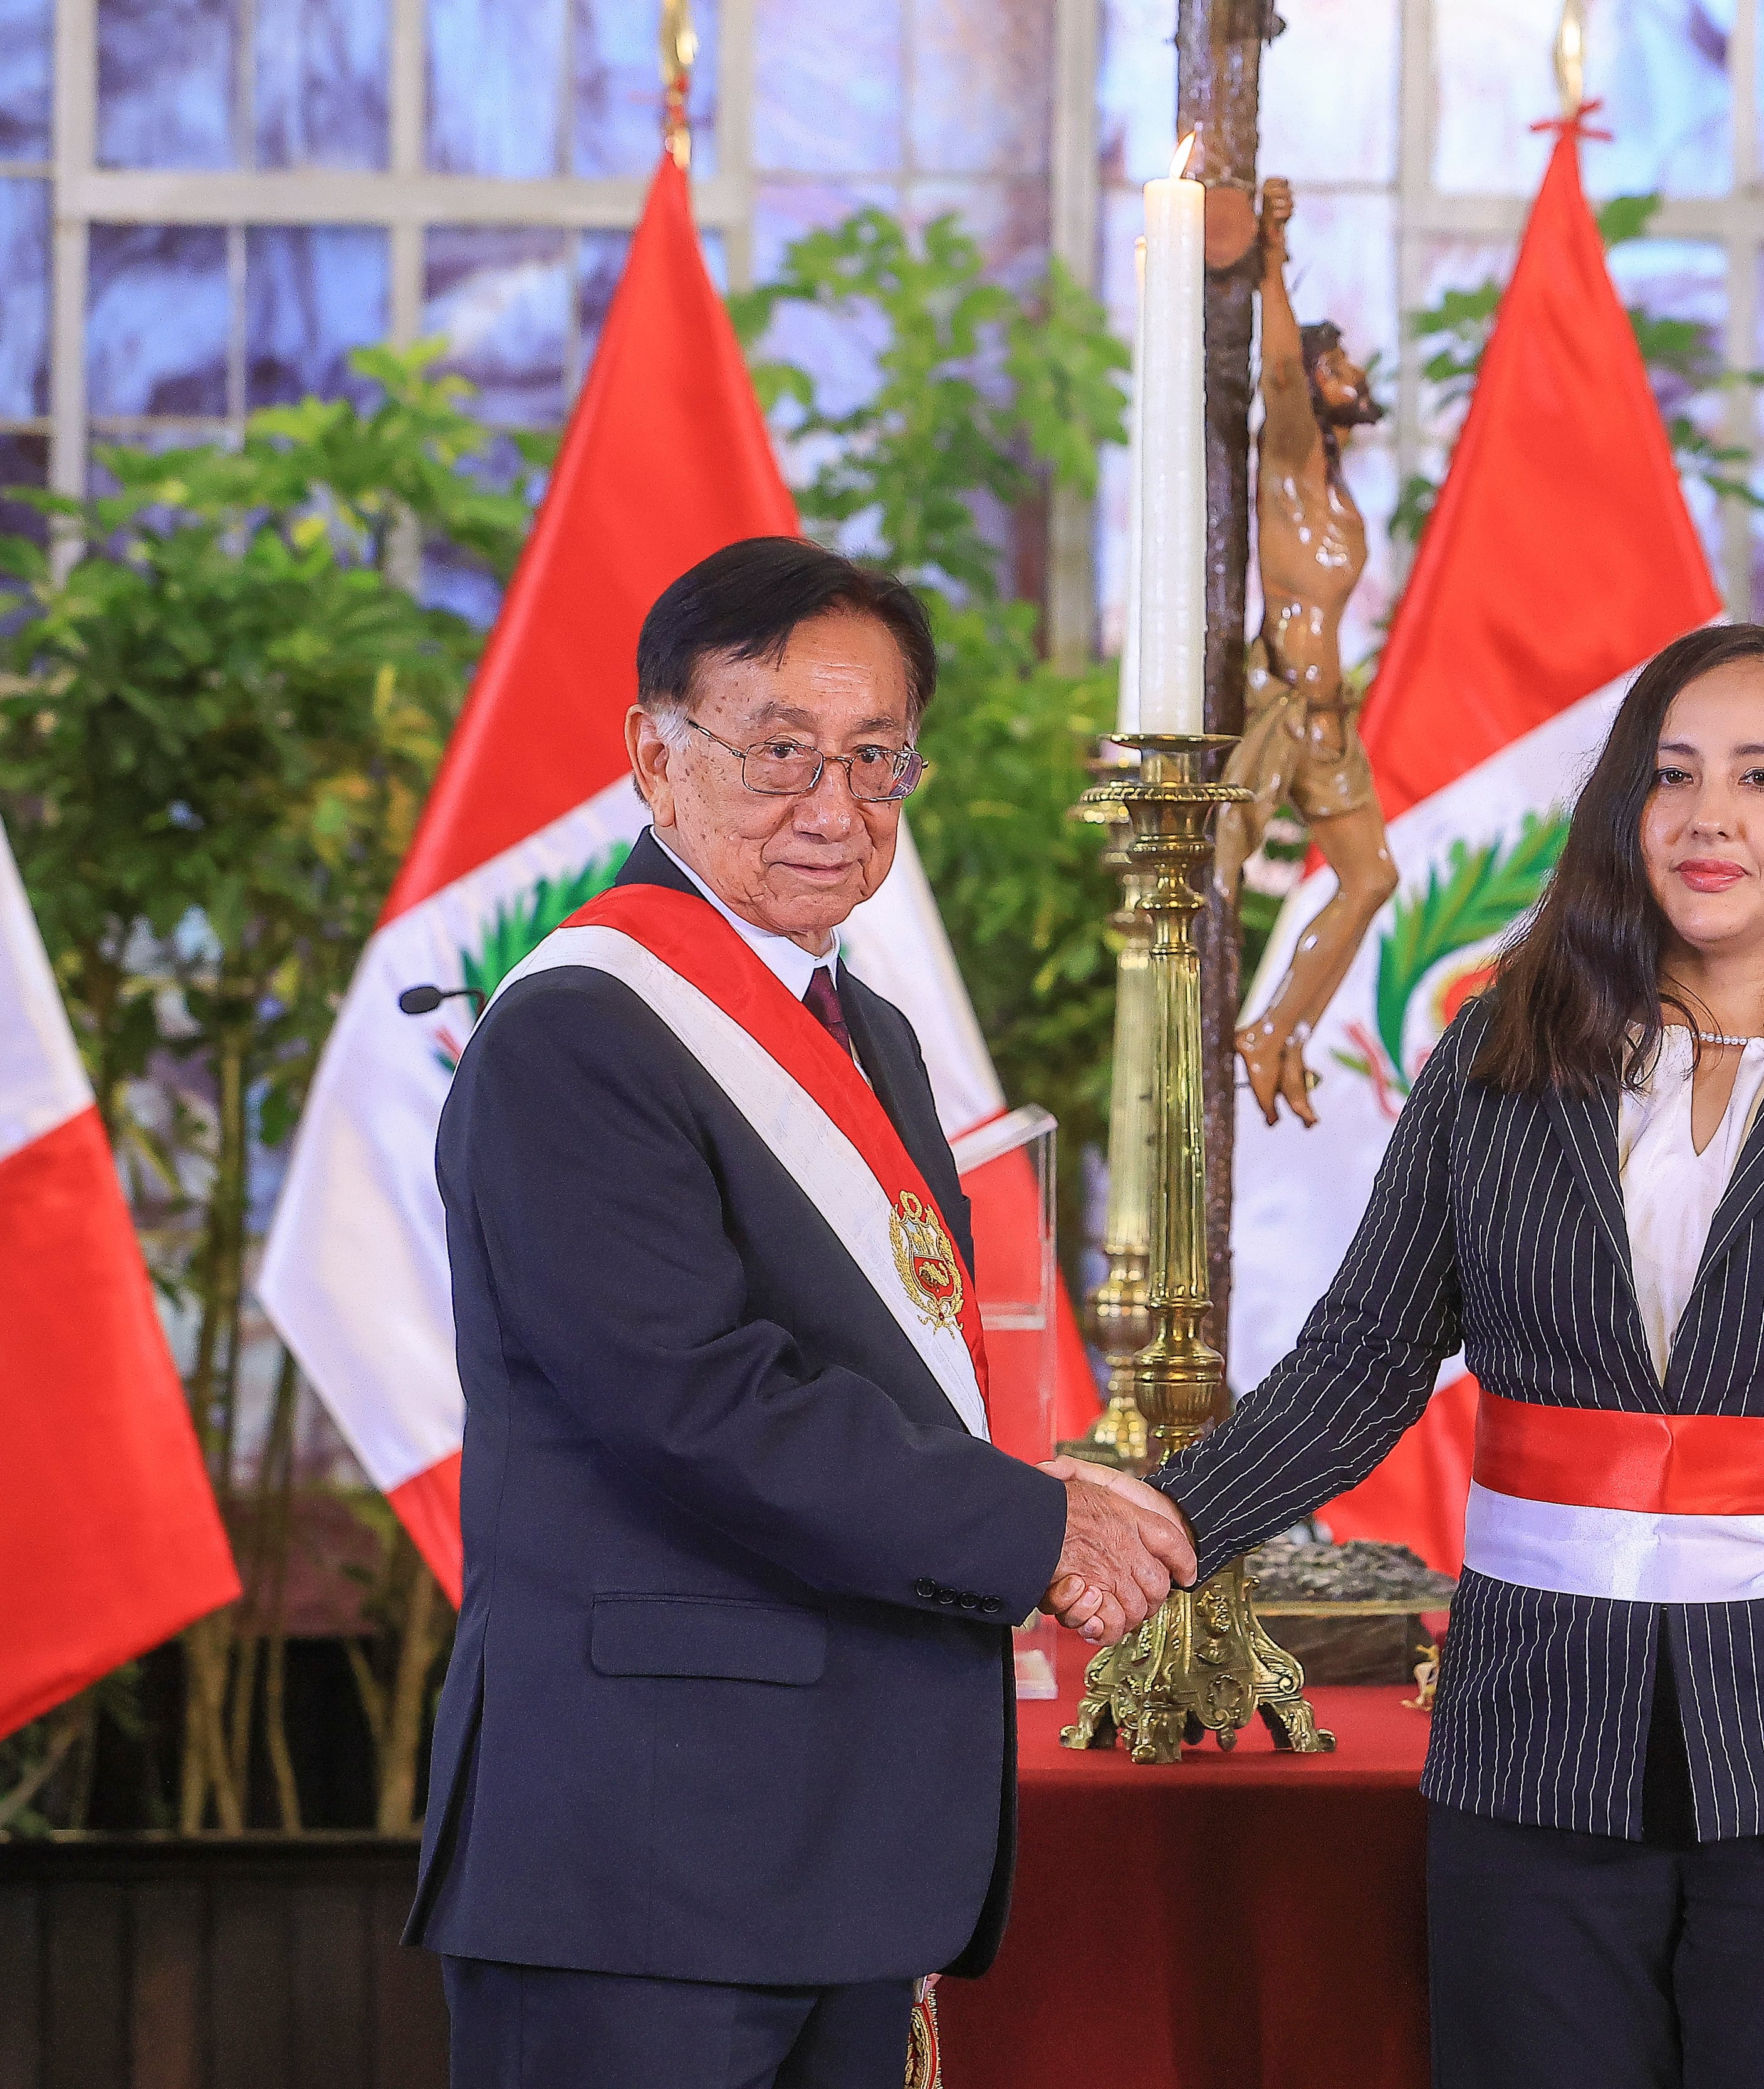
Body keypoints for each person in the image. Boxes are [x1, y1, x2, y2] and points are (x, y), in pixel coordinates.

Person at [1156, 622, 1764, 2088]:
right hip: (1536, 1736)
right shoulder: (1497, 1052)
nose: (1709, 816)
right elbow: (1362, 1359)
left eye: (1762, 777)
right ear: (1624, 810)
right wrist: (1155, 1524)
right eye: (1672, 776)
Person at [408, 536, 1196, 2089]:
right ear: (655, 755)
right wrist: (1030, 1528)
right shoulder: (578, 1033)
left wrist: (1054, 1502)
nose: (832, 808)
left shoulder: (869, 1036)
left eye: (875, 757)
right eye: (779, 751)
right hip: (646, 1847)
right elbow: (694, 1402)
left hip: (839, 1829)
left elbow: (897, 1387)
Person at [1214, 173, 1397, 1127]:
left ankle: (1276, 1026)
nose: (1355, 376)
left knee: (1372, 877)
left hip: (1329, 722)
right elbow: (1280, 370)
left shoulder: (1332, 485)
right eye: (1341, 365)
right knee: (1210, 873)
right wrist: (1274, 260)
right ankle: (1226, 1027)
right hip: (1280, 710)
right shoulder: (1288, 462)